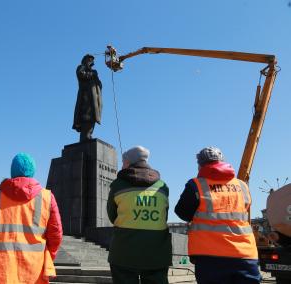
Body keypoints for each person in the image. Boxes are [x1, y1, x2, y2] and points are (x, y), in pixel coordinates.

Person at [175, 146, 261, 284]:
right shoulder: (242, 186)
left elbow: (182, 212)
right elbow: (244, 208)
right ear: (222, 161)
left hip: (210, 257)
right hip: (246, 255)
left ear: (200, 164)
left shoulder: (196, 185)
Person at [0, 153, 63, 284]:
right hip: (32, 271)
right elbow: (56, 235)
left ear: (12, 171)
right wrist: (48, 256)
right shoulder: (47, 198)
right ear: (32, 172)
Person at [107, 146, 172, 284]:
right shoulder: (162, 186)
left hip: (123, 252)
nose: (122, 164)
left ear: (128, 162)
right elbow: (164, 216)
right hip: (157, 252)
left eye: (123, 161)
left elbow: (112, 216)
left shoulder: (118, 185)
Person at [72, 54, 103, 142]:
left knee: (93, 116)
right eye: (89, 59)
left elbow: (99, 84)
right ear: (85, 60)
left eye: (92, 60)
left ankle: (88, 134)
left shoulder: (94, 72)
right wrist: (92, 74)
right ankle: (85, 136)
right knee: (86, 116)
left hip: (94, 99)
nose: (91, 61)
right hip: (86, 97)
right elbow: (81, 74)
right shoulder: (81, 67)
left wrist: (95, 77)